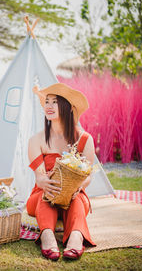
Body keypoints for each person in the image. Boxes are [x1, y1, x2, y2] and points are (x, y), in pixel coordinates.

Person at [26, 83, 96, 261]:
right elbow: (39, 176)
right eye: (46, 102)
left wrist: (78, 187)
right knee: (45, 195)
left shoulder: (85, 139)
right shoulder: (37, 140)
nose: (48, 106)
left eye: (54, 102)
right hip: (42, 195)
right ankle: (47, 237)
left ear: (68, 108)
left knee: (78, 199)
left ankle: (76, 237)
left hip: (74, 196)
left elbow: (87, 176)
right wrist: (44, 183)